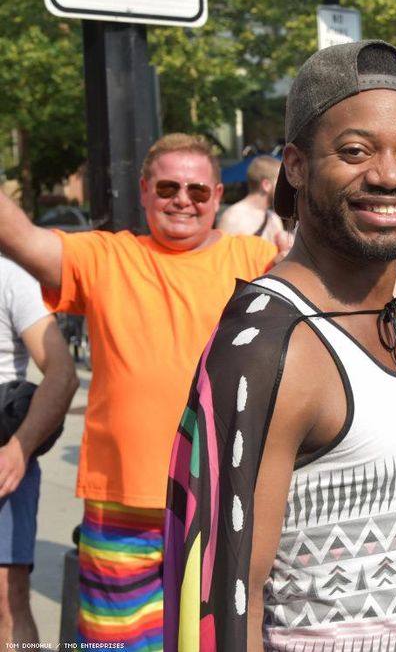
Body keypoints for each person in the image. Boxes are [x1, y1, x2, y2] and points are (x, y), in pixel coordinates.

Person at [163, 40, 396, 651]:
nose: (390, 174)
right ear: (296, 166)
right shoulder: (262, 346)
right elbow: (216, 606)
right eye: (355, 151)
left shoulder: (389, 323)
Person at [0, 133, 279, 649]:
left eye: (197, 191)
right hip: (120, 507)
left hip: (219, 505)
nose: (183, 200)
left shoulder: (258, 258)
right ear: (145, 190)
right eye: (169, 187)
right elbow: (16, 235)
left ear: (218, 196)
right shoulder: (106, 256)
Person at [0, 256, 78, 646]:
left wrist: (19, 448)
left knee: (8, 601)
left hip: (3, 461)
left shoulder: (10, 277)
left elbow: (62, 373)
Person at [218, 155, 287, 243]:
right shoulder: (233, 218)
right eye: (280, 182)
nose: (284, 188)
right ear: (266, 185)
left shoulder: (274, 218)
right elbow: (223, 255)